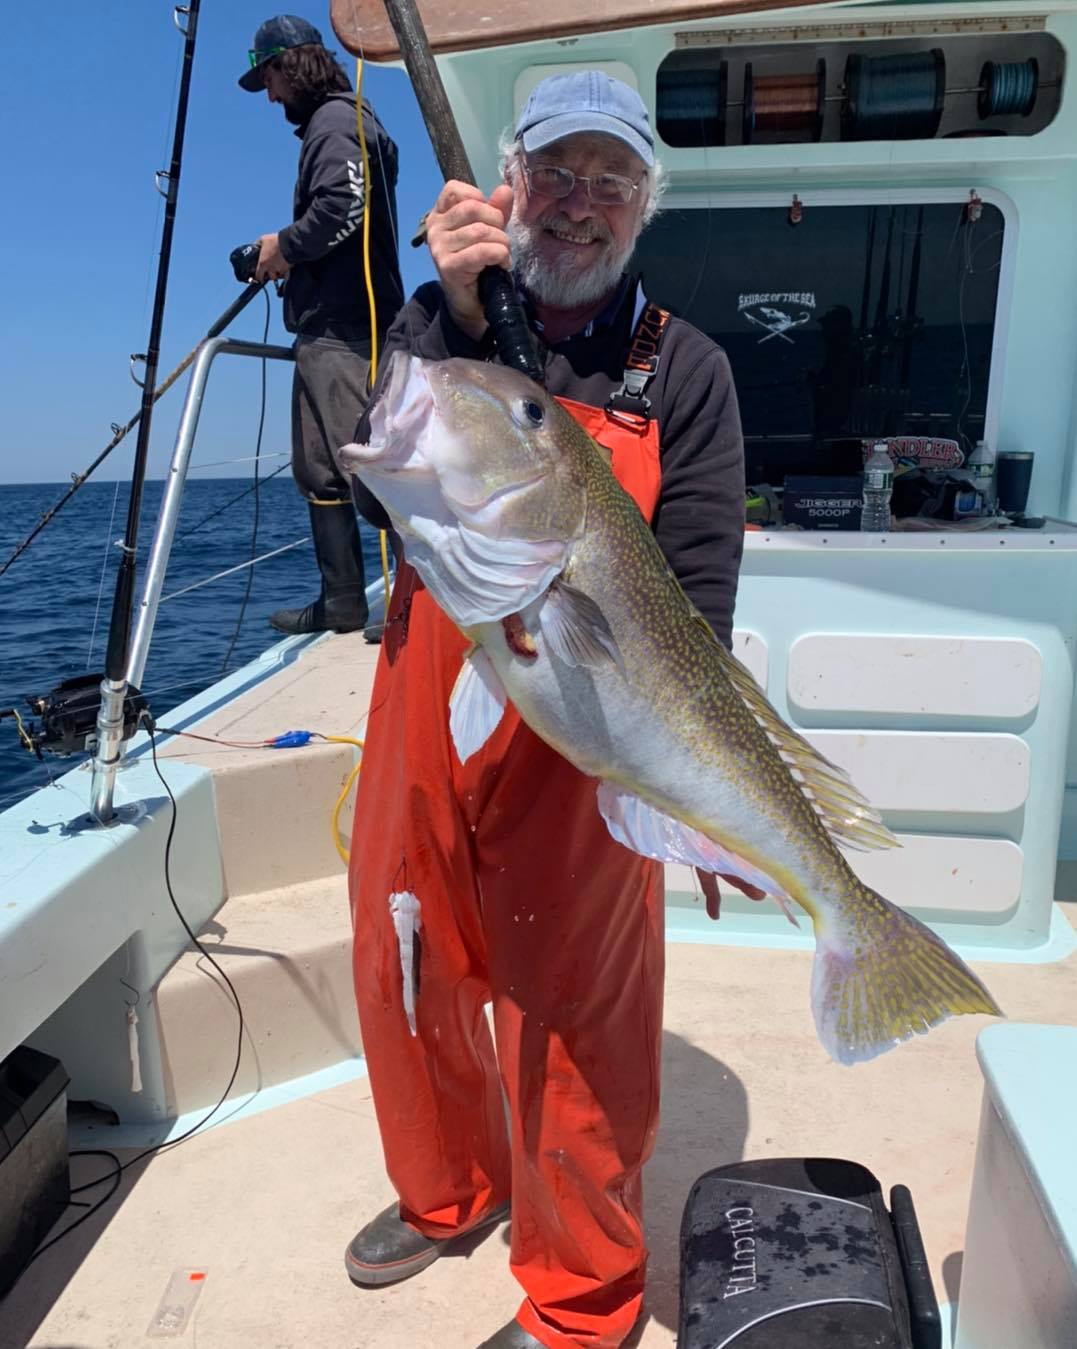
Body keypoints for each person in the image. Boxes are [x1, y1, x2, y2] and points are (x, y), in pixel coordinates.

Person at [344, 71, 746, 1349]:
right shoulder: (435, 315)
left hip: (587, 717)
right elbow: (376, 479)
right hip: (430, 684)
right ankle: (448, 1186)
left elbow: (697, 611)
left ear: (644, 207)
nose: (580, 206)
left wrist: (689, 789)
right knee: (404, 953)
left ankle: (582, 1297)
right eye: (556, 174)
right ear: (508, 185)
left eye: (611, 181)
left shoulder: (684, 370)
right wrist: (460, 312)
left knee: (574, 1004)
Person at [239, 15, 405, 635]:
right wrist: (287, 253)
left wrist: (284, 247)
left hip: (349, 329)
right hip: (326, 327)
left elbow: (343, 206)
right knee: (320, 467)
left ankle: (417, 601)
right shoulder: (337, 124)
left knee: (370, 464)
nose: (271, 94)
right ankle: (341, 602)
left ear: (292, 66)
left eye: (271, 78)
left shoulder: (336, 122)